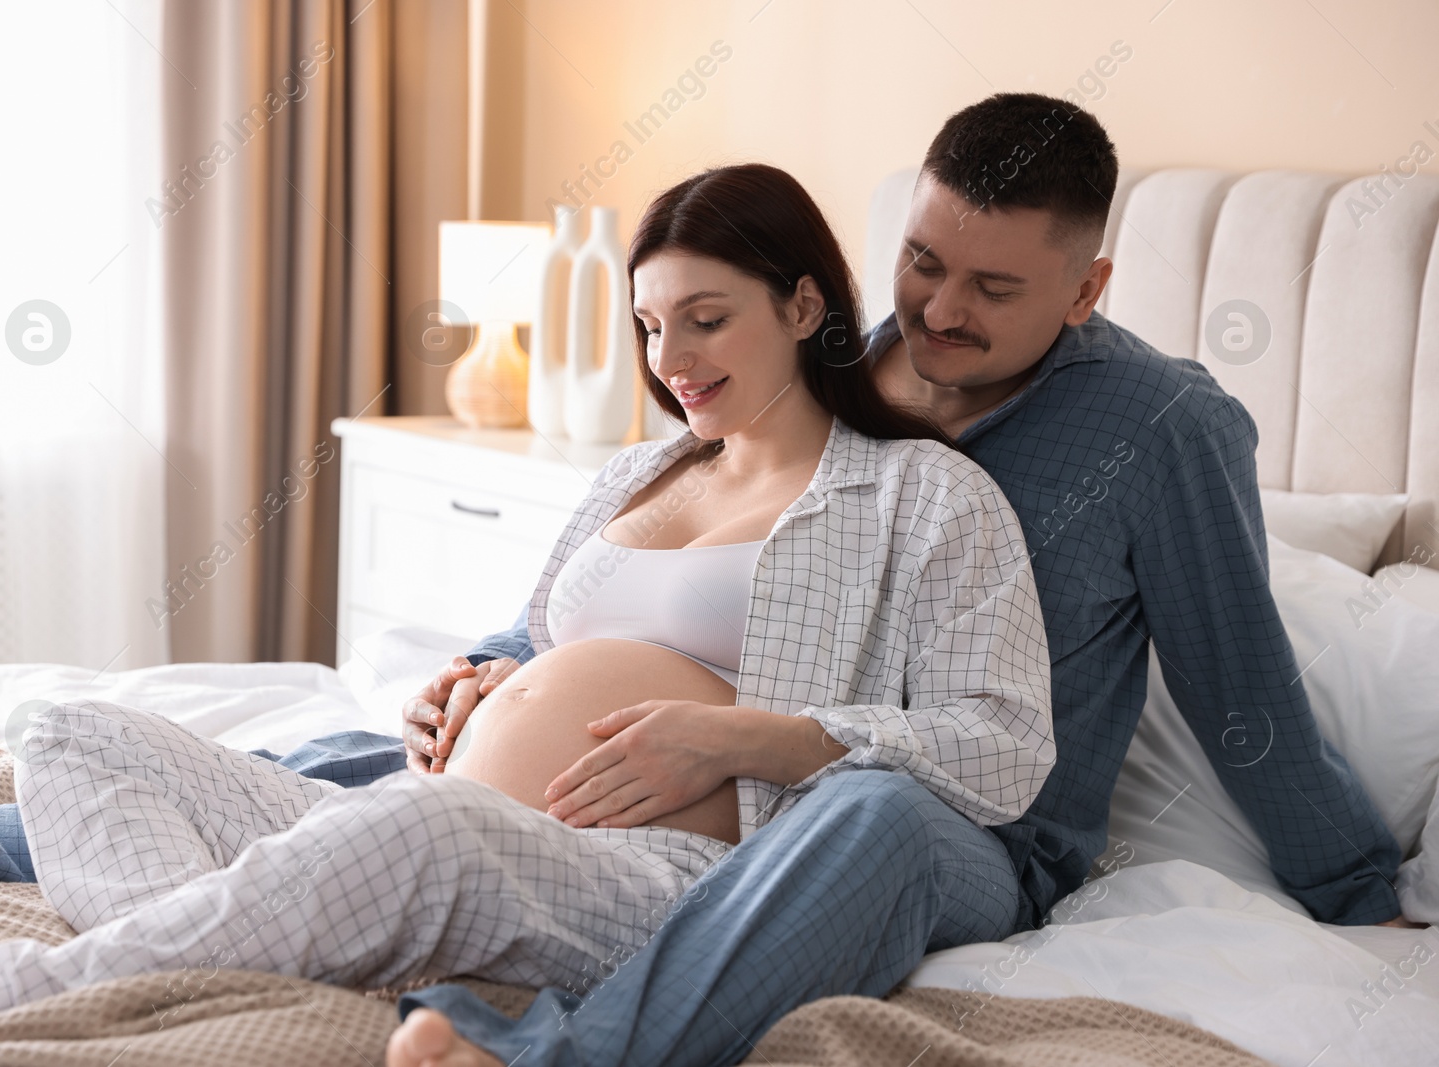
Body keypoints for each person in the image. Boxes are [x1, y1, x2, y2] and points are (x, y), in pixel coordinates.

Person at [0, 162, 1053, 1058]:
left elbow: (1004, 742)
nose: (670, 354)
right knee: (67, 728)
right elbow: (537, 642)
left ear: (800, 306)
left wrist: (756, 735)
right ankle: (263, 948)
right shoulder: (637, 472)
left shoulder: (918, 495)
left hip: (649, 864)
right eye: (647, 323)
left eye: (705, 316)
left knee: (425, 836)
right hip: (436, 803)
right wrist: (470, 680)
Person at [381, 93, 1420, 1067]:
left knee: (870, 810)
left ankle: (556, 1052)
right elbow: (665, 581)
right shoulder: (828, 363)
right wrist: (492, 669)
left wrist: (1359, 890)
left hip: (957, 824)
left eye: (994, 287)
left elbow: (1241, 686)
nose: (938, 310)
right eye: (922, 261)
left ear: (1086, 288)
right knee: (349, 754)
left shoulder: (1160, 429)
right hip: (716, 783)